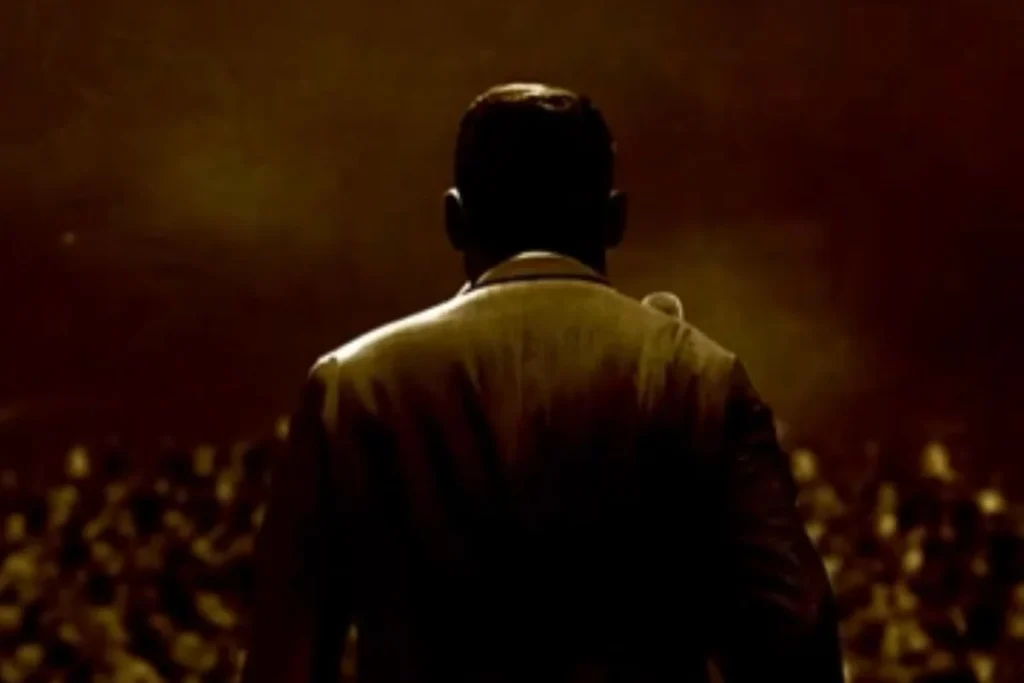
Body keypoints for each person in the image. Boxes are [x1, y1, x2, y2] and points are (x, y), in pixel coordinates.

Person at [242, 83, 843, 683]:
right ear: (615, 219)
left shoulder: (351, 388)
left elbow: (285, 658)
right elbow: (794, 629)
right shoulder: (697, 376)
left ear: (454, 220)